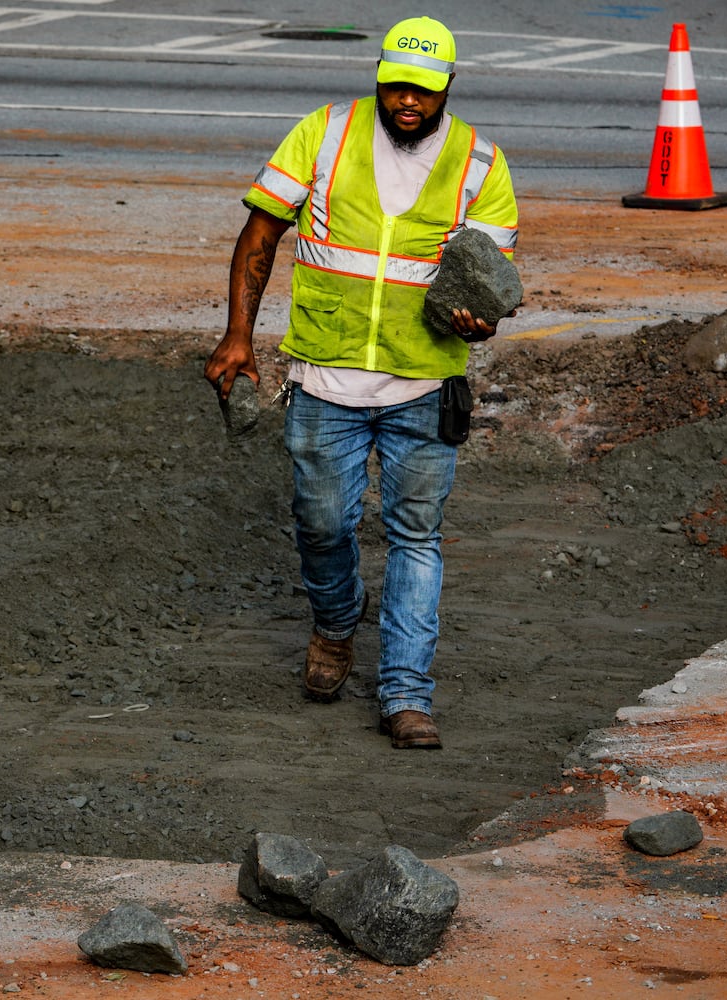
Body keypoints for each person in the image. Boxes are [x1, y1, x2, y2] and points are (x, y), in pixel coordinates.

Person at [204, 15, 518, 750]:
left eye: (425, 91)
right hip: (324, 376)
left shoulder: (480, 162)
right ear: (378, 77)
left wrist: (482, 322)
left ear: (448, 88)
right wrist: (238, 334)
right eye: (397, 86)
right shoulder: (324, 132)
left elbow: (493, 282)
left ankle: (406, 695)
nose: (409, 102)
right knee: (322, 524)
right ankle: (337, 621)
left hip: (426, 383)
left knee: (417, 536)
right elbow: (260, 234)